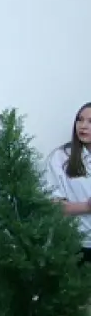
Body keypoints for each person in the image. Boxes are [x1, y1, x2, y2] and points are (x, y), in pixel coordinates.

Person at [43, 102, 91, 265]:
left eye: (90, 121)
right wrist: (87, 206)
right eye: (80, 120)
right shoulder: (60, 157)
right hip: (77, 244)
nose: (83, 126)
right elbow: (53, 206)